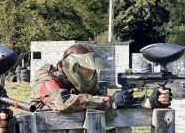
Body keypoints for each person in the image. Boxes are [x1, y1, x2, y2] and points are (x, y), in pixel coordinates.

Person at [29, 44, 171, 112]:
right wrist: (109, 102)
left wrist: (148, 102)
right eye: (86, 69)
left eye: (92, 70)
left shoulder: (83, 85)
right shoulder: (46, 77)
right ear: (72, 66)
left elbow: (107, 100)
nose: (90, 74)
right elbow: (60, 101)